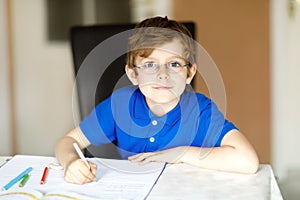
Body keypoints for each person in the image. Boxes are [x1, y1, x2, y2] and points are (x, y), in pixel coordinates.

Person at [55, 16, 259, 184]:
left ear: (190, 73)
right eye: (150, 65)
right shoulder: (120, 104)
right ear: (133, 74)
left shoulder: (200, 110)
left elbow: (248, 161)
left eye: (174, 64)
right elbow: (68, 142)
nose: (162, 74)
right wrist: (71, 162)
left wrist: (180, 153)